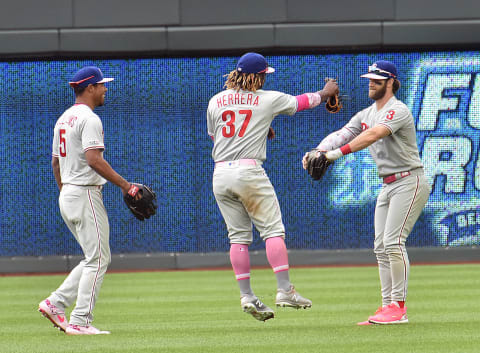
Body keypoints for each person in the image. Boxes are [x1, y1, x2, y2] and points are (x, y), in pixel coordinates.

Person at [207, 52, 339, 321]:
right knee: (273, 231)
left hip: (220, 173)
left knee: (238, 238)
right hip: (249, 171)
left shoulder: (216, 100)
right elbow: (304, 101)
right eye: (264, 75)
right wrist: (327, 92)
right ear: (257, 76)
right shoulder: (266, 99)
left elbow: (217, 135)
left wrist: (259, 127)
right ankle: (284, 290)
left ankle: (247, 295)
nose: (265, 79)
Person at [303, 60, 430, 325]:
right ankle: (387, 307)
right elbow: (343, 133)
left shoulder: (398, 110)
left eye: (378, 79)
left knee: (394, 242)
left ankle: (399, 307)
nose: (371, 83)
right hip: (388, 184)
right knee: (381, 247)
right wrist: (318, 150)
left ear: (391, 83)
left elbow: (374, 135)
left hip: (410, 181)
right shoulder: (366, 113)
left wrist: (333, 155)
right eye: (370, 78)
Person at [39, 66, 137, 335]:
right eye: (102, 84)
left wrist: (64, 192)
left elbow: (55, 163)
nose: (106, 89)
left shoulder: (63, 118)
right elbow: (94, 159)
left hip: (68, 193)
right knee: (99, 259)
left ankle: (55, 303)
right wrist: (126, 186)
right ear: (90, 88)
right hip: (84, 192)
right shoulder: (89, 118)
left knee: (93, 257)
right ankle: (80, 321)